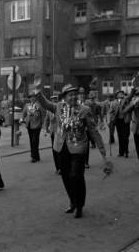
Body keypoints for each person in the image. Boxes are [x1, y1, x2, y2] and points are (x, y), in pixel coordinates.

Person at [35, 84, 111, 218]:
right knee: (65, 176)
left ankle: (80, 205)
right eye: (70, 95)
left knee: (76, 176)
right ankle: (73, 202)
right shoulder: (58, 107)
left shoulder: (85, 110)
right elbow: (45, 104)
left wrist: (103, 153)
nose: (73, 97)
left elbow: (93, 131)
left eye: (75, 94)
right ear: (64, 97)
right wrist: (38, 92)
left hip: (79, 147)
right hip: (61, 146)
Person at [20, 92, 44, 162]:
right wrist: (22, 119)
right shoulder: (27, 105)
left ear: (36, 98)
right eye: (31, 97)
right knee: (31, 141)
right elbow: (23, 113)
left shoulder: (39, 105)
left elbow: (43, 115)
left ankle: (33, 156)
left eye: (33, 97)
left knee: (35, 141)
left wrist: (43, 125)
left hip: (37, 125)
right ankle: (36, 156)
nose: (32, 98)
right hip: (29, 125)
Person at [108, 90, 131, 158]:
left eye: (122, 93)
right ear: (116, 95)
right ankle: (121, 152)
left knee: (125, 136)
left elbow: (130, 96)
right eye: (119, 93)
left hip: (125, 120)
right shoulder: (113, 103)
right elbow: (110, 112)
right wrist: (111, 119)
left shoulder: (126, 100)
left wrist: (132, 89)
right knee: (120, 136)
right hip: (118, 121)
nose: (121, 94)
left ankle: (126, 151)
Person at [44, 95, 60, 174]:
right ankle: (57, 168)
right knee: (54, 150)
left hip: (60, 132)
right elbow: (46, 120)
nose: (54, 101)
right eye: (52, 100)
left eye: (55, 100)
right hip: (53, 132)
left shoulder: (60, 109)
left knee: (60, 150)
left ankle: (62, 166)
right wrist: (46, 129)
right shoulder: (49, 111)